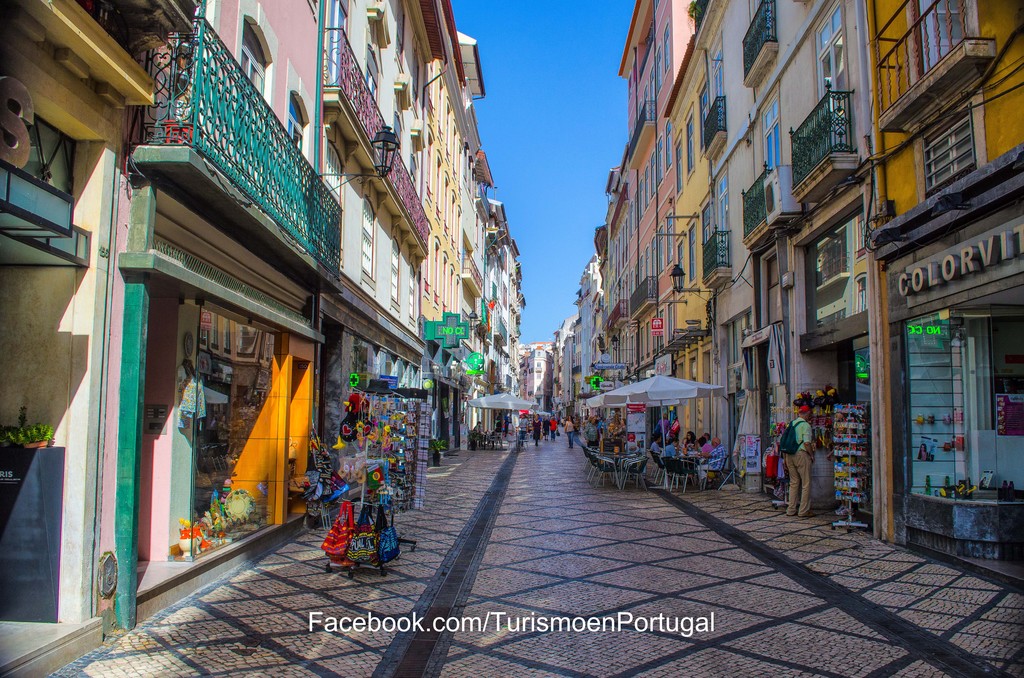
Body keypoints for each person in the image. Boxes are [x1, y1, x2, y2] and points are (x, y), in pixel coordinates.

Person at [785, 406, 816, 518]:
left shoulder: (792, 423)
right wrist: (811, 455)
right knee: (806, 483)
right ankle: (803, 511)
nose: (810, 415)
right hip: (801, 454)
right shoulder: (805, 425)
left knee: (793, 483)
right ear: (807, 413)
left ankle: (791, 509)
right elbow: (807, 443)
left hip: (789, 455)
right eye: (810, 413)